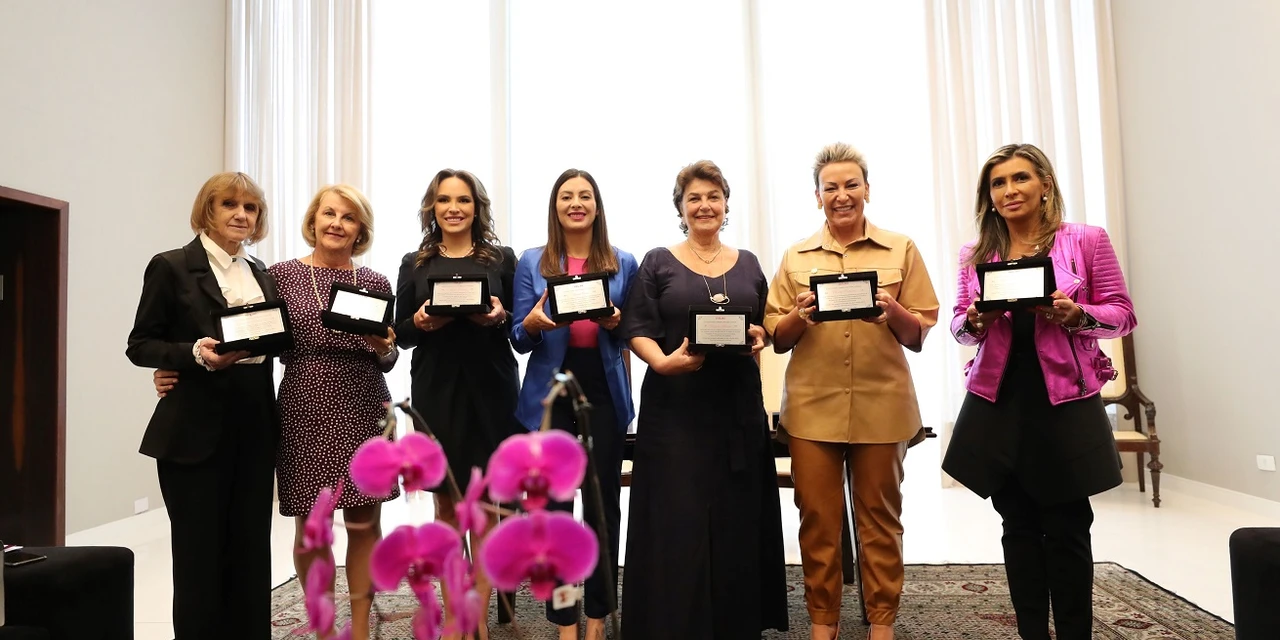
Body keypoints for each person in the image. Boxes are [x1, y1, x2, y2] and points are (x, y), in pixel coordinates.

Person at [150, 184, 400, 640]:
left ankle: (361, 628)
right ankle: (324, 628)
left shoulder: (377, 283)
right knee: (314, 526)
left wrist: (385, 348)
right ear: (313, 219)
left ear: (360, 229)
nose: (336, 224)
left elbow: (388, 355)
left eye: (348, 218)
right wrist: (176, 365)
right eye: (329, 213)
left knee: (366, 522)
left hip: (366, 405)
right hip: (304, 407)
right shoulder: (278, 276)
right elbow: (236, 332)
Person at [942, 143, 1137, 640]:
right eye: (998, 183)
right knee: (1017, 525)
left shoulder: (1086, 241)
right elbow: (961, 332)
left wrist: (1079, 315)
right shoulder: (976, 255)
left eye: (1020, 178)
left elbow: (1122, 313)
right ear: (988, 196)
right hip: (999, 404)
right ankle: (1032, 632)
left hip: (1065, 402)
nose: (1010, 190)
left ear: (1044, 184)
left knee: (1069, 526)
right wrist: (975, 319)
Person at [765, 143, 939, 640]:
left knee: (880, 521)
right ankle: (824, 622)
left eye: (851, 185)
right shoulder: (795, 256)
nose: (842, 196)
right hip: (812, 409)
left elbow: (920, 333)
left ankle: (880, 623)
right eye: (831, 188)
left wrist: (891, 309)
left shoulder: (900, 249)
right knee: (818, 522)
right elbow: (777, 337)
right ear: (817, 196)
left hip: (882, 405)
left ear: (867, 189)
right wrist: (802, 312)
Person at [618, 160, 788, 639]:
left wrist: (759, 335)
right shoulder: (657, 261)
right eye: (694, 197)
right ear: (680, 207)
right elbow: (637, 329)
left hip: (735, 410)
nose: (704, 205)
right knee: (679, 519)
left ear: (726, 204)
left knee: (735, 517)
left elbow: (766, 328)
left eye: (713, 196)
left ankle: (735, 624)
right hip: (674, 410)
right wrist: (664, 363)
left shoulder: (751, 263)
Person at [127, 172, 279, 639]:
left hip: (254, 427)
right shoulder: (171, 266)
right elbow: (141, 344)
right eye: (229, 205)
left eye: (250, 208)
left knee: (252, 553)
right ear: (207, 211)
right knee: (198, 558)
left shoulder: (262, 273)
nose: (240, 215)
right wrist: (191, 355)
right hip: (193, 432)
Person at [509, 169, 638, 640]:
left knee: (602, 508)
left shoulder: (624, 261)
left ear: (597, 206)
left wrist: (617, 321)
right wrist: (536, 322)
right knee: (557, 513)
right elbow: (519, 337)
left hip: (602, 393)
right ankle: (566, 619)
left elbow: (634, 332)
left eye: (585, 195)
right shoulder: (532, 261)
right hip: (550, 398)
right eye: (567, 196)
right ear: (555, 206)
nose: (576, 203)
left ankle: (600, 615)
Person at [393, 169, 519, 640]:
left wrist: (502, 316)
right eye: (444, 199)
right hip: (436, 390)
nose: (453, 208)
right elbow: (399, 331)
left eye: (463, 200)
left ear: (476, 207)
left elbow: (518, 324)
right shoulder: (415, 261)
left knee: (487, 508)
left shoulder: (501, 258)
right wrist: (421, 322)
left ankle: (478, 617)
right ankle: (453, 616)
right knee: (447, 508)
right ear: (432, 206)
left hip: (492, 387)